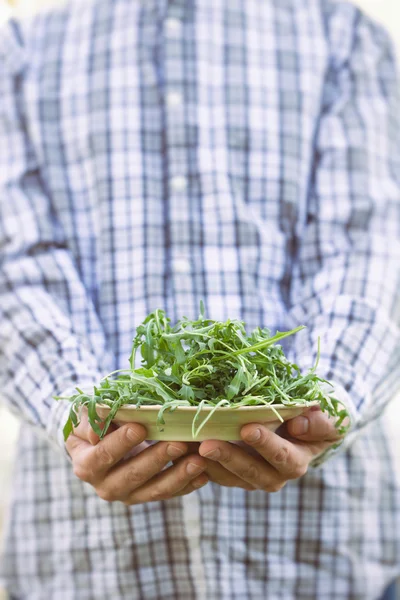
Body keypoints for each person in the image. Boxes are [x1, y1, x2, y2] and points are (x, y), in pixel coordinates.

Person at [0, 0, 399, 598]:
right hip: (87, 565)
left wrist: (320, 401)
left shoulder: (342, 39)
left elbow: (370, 247)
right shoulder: (21, 54)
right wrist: (86, 416)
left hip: (322, 558)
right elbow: (16, 261)